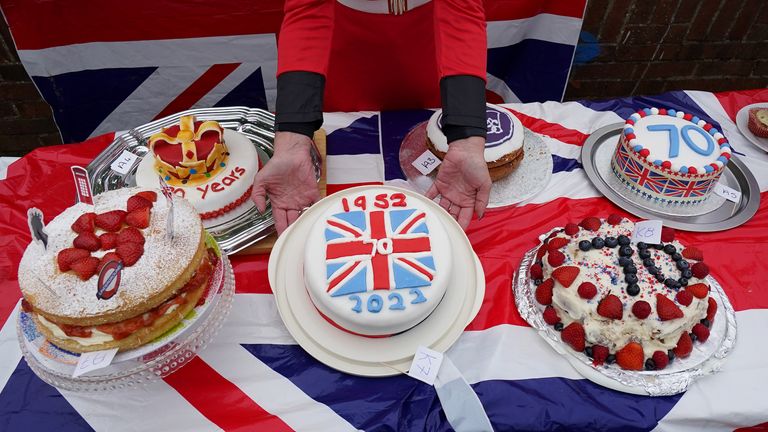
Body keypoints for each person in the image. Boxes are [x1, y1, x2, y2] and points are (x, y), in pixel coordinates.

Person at [251, 0, 491, 234]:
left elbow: (461, 8)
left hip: (435, 53)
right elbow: (308, 8)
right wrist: (293, 137)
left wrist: (466, 134)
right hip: (346, 55)